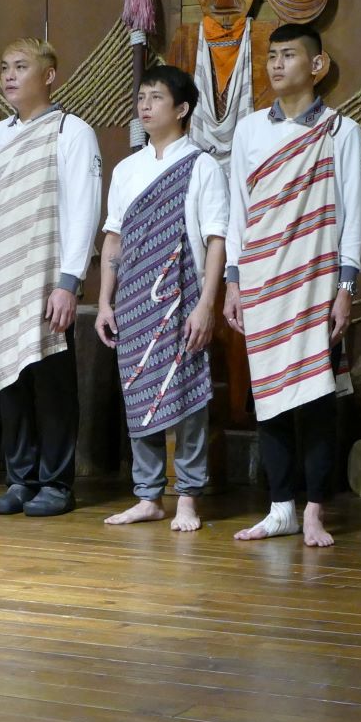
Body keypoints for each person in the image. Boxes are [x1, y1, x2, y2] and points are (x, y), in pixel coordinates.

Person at [223, 22, 361, 548]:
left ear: (317, 65)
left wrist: (346, 285)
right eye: (272, 56)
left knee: (315, 398)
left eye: (289, 55)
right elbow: (237, 209)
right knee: (270, 397)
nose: (277, 65)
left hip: (315, 281)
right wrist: (233, 280)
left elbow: (354, 213)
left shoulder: (338, 131)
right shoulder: (248, 131)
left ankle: (314, 508)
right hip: (262, 279)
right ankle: (280, 505)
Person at [0, 39, 103, 518]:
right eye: (4, 67)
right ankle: (20, 477)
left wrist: (69, 281)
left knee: (50, 380)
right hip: (1, 274)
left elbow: (84, 209)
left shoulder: (72, 131)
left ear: (49, 75)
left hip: (45, 274)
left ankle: (57, 483)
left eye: (21, 67)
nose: (8, 75)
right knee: (11, 381)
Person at [96, 66, 229, 533]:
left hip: (183, 293)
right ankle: (148, 495)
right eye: (143, 97)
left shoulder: (202, 165)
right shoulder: (126, 169)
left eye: (156, 98)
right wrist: (106, 300)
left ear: (182, 108)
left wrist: (206, 304)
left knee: (189, 396)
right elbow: (113, 238)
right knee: (138, 393)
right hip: (133, 296)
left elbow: (216, 239)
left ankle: (188, 496)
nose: (145, 105)